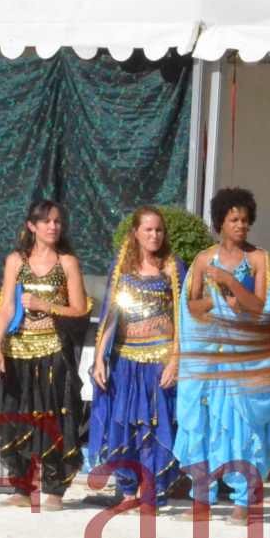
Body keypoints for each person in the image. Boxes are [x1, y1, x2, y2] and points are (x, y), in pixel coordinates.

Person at [173, 186, 270, 525]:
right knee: (203, 426)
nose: (241, 226)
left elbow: (264, 307)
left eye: (245, 220)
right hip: (209, 356)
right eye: (234, 219)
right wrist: (216, 305)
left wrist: (231, 285)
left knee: (240, 427)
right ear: (221, 221)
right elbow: (190, 307)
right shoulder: (203, 260)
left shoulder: (259, 258)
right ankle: (201, 497)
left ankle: (242, 501)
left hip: (243, 358)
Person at [0, 199, 90, 510]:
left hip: (53, 350)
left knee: (53, 416)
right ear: (32, 226)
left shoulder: (67, 263)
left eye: (57, 221)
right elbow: (6, 306)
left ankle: (54, 489)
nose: (53, 227)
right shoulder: (16, 261)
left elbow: (80, 310)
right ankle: (21, 484)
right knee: (14, 415)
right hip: (17, 349)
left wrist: (47, 306)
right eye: (46, 222)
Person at [88, 206, 185, 511]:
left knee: (155, 427)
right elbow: (109, 316)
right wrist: (100, 359)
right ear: (135, 233)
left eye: (158, 230)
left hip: (159, 361)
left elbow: (184, 320)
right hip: (125, 361)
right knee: (124, 426)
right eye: (148, 230)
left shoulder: (173, 268)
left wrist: (175, 361)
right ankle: (127, 492)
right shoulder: (121, 268)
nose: (154, 235)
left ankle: (151, 492)